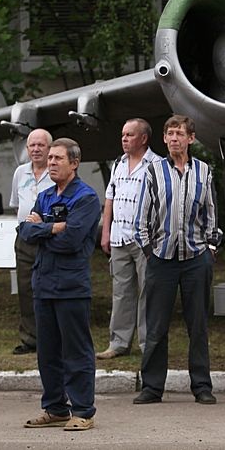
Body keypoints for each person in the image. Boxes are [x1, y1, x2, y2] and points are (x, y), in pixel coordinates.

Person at [132, 115, 221, 405]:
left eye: (179, 134)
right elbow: (141, 218)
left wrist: (209, 248)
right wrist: (150, 253)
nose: (173, 139)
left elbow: (211, 214)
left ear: (191, 138)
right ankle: (152, 387)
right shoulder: (153, 172)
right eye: (169, 134)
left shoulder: (204, 171)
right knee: (156, 326)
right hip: (162, 258)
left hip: (196, 259)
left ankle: (202, 387)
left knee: (198, 325)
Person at [20, 138, 100, 432]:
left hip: (71, 286)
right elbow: (24, 231)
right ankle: (55, 408)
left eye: (57, 159)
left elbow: (71, 240)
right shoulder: (45, 195)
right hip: (43, 283)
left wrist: (40, 228)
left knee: (76, 350)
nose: (50, 162)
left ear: (74, 164)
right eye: (49, 158)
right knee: (48, 351)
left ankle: (83, 410)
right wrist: (51, 227)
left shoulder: (86, 198)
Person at [96, 119, 161, 360]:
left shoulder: (157, 165)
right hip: (119, 237)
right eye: (123, 135)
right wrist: (106, 232)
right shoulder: (118, 164)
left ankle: (147, 344)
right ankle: (118, 343)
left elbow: (161, 202)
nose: (124, 139)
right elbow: (110, 198)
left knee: (147, 291)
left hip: (145, 240)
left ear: (143, 138)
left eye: (130, 135)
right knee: (121, 291)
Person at [9, 128, 54, 355]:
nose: (36, 149)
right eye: (32, 146)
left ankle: (50, 337)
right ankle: (29, 338)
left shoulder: (56, 171)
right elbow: (17, 204)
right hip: (25, 236)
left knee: (49, 287)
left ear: (49, 148)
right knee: (25, 287)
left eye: (41, 145)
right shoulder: (20, 172)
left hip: (49, 236)